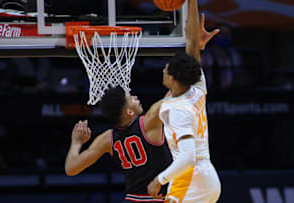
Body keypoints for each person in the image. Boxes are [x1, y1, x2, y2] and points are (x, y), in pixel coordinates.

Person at [64, 2, 219, 203]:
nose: (136, 97)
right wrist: (194, 42)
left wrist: (76, 143)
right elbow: (185, 78)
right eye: (131, 98)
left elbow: (71, 168)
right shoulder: (152, 118)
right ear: (129, 112)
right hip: (162, 194)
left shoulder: (107, 139)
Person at [147, 0, 221, 202]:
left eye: (167, 68)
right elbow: (191, 46)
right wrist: (192, 3)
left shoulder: (178, 109)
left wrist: (159, 179)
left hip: (191, 176)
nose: (163, 70)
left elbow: (187, 156)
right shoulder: (197, 86)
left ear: (173, 78)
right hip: (204, 175)